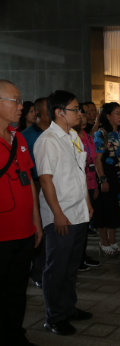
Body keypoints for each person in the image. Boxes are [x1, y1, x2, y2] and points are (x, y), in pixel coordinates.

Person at [35, 89, 94, 336]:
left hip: (79, 211)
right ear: (59, 112)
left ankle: (68, 308)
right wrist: (57, 213)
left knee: (71, 266)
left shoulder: (73, 136)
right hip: (62, 215)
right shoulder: (48, 140)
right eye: (75, 109)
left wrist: (88, 202)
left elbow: (80, 174)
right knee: (56, 268)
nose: (80, 113)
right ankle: (54, 316)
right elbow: (46, 181)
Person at [0, 80, 43, 346]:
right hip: (2, 235)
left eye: (20, 100)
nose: (21, 106)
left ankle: (15, 334)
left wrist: (36, 221)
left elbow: (28, 178)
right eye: (14, 100)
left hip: (24, 230)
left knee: (16, 290)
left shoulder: (18, 138)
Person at [22, 97, 51, 288]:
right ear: (40, 113)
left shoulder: (56, 134)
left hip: (52, 188)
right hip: (36, 186)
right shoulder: (26, 135)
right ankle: (38, 272)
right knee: (40, 232)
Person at [93, 102, 120, 256]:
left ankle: (113, 241)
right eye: (117, 113)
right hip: (107, 177)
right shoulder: (101, 134)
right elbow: (97, 159)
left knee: (117, 209)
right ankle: (104, 241)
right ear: (108, 116)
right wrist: (102, 179)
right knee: (104, 209)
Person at [72, 107, 102, 271]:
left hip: (90, 183)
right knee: (80, 224)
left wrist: (96, 184)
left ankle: (83, 255)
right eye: (80, 116)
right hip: (79, 185)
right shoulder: (73, 137)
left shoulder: (89, 138)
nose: (83, 119)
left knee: (85, 223)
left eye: (84, 117)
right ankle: (77, 258)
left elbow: (93, 162)